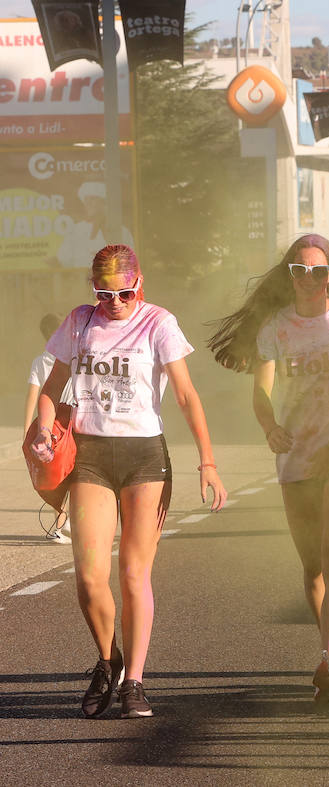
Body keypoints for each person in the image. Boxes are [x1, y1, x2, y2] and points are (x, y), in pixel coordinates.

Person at [32, 244, 227, 719]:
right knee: (88, 575)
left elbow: (184, 395)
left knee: (134, 573)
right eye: (104, 292)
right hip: (92, 455)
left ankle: (135, 681)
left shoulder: (159, 322)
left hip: (144, 457)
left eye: (124, 292)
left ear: (140, 285)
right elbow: (51, 388)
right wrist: (42, 427)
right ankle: (109, 659)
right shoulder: (80, 321)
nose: (114, 301)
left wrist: (208, 461)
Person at [208, 233, 329, 706]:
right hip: (297, 456)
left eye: (319, 271)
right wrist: (269, 427)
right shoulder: (276, 327)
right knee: (311, 568)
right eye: (299, 271)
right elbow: (262, 390)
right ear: (289, 275)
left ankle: (328, 657)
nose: (309, 279)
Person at [26, 312, 76, 544]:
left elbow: (33, 397)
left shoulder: (40, 361)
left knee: (54, 472)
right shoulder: (72, 358)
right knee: (71, 471)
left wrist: (28, 432)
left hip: (47, 425)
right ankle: (64, 524)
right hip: (69, 423)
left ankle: (61, 523)